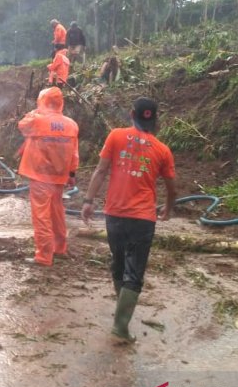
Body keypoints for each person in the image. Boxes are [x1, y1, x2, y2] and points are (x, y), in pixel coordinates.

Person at [81, 98, 176, 343]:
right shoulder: (162, 149)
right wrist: (168, 207)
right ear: (155, 120)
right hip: (143, 219)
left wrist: (88, 201)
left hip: (115, 214)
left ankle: (120, 316)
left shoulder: (116, 136)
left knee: (119, 263)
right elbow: (171, 186)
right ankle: (120, 327)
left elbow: (100, 170)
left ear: (131, 114)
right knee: (134, 273)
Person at [17, 87, 79, 266]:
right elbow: (74, 153)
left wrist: (36, 112)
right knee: (57, 212)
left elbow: (22, 125)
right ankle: (60, 248)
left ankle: (44, 256)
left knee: (41, 215)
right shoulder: (71, 124)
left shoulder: (36, 120)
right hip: (59, 176)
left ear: (42, 101)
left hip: (40, 174)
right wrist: (72, 173)